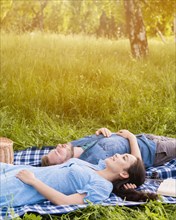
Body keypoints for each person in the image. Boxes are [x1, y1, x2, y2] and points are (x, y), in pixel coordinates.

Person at [0, 130, 157, 208]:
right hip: (15, 170)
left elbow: (65, 202)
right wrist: (128, 137)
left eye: (124, 157)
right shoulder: (99, 166)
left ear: (123, 173)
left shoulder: (102, 187)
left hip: (20, 186)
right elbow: (137, 167)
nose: (117, 154)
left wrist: (33, 182)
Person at [41, 128, 176, 168]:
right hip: (154, 151)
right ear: (65, 163)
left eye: (55, 148)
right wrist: (131, 138)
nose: (59, 146)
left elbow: (105, 139)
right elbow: (137, 164)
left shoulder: (74, 144)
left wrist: (104, 131)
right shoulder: (93, 163)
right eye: (58, 152)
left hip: (145, 138)